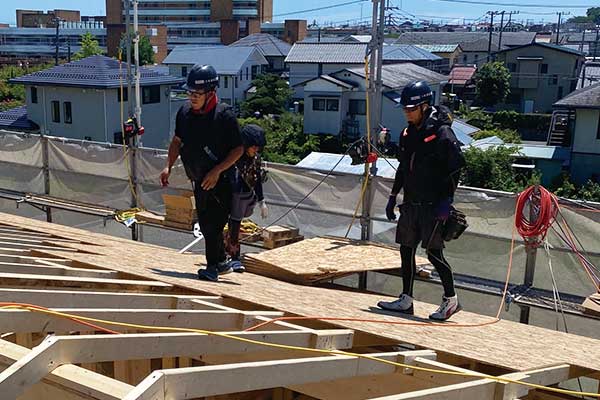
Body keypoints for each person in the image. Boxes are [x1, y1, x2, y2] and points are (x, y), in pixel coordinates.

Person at [377, 81, 466, 321]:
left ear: (424, 106)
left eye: (411, 109)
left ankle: (451, 300)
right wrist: (393, 196)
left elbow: (456, 166)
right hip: (411, 202)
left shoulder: (441, 132)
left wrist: (447, 200)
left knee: (434, 253)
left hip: (433, 205)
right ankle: (406, 299)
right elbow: (403, 168)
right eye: (405, 109)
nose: (407, 113)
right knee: (406, 249)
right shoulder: (408, 134)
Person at [160, 64, 244, 282]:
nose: (193, 98)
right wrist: (168, 165)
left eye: (197, 93)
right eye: (190, 93)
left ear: (211, 93)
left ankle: (211, 268)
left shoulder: (224, 116)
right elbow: (177, 141)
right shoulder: (185, 114)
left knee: (212, 225)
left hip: (222, 180)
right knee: (206, 222)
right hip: (199, 179)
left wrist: (217, 171)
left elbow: (238, 149)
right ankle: (221, 262)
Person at [224, 124, 269, 272]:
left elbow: (257, 180)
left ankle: (229, 254)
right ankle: (233, 257)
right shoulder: (234, 156)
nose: (256, 150)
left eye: (258, 147)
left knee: (236, 224)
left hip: (245, 196)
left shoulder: (255, 159)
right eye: (253, 146)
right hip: (230, 194)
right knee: (233, 225)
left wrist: (262, 201)